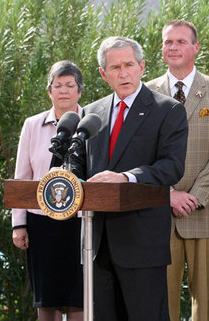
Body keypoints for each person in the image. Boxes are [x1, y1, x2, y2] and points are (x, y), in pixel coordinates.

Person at [72, 36, 188, 320]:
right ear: (103, 74)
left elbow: (172, 167)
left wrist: (126, 177)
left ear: (142, 67)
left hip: (142, 245)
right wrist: (64, 176)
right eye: (115, 68)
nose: (123, 73)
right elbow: (79, 164)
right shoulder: (90, 113)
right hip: (96, 244)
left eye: (128, 65)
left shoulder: (167, 110)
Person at [147, 19, 209, 321]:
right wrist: (169, 194)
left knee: (205, 303)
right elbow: (140, 152)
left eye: (181, 42)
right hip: (160, 210)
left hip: (206, 209)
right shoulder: (147, 94)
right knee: (162, 301)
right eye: (168, 42)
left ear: (196, 48)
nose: (173, 47)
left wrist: (197, 194)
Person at [12, 60, 84, 321]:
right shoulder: (33, 125)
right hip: (41, 223)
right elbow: (22, 177)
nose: (63, 91)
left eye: (69, 85)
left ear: (79, 90)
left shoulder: (93, 122)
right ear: (49, 90)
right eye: (57, 85)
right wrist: (18, 224)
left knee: (80, 296)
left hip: (81, 222)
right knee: (47, 296)